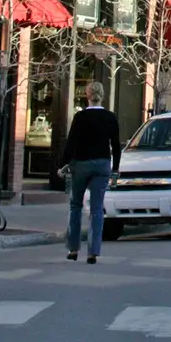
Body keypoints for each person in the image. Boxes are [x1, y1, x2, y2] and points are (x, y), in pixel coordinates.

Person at [62, 82, 122, 264]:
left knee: (75, 205)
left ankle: (73, 249)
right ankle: (93, 252)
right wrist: (115, 169)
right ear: (102, 96)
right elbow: (116, 146)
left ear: (86, 95)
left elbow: (71, 142)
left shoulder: (80, 117)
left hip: (81, 164)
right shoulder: (110, 117)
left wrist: (63, 164)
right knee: (97, 209)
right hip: (102, 164)